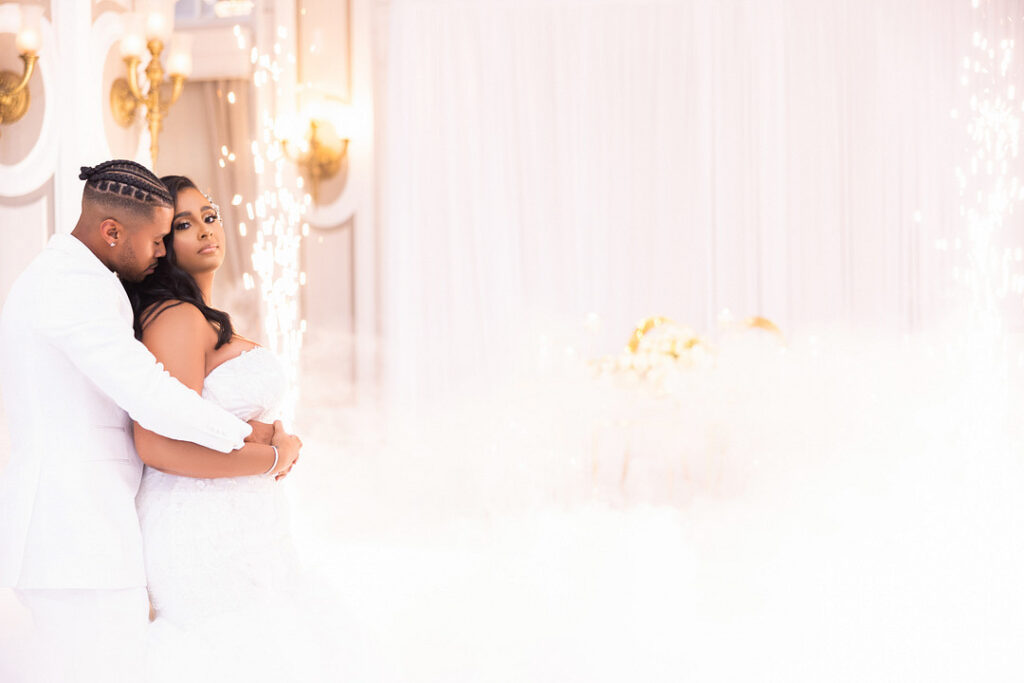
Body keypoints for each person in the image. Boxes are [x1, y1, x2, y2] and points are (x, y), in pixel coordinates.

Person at [0, 160, 302, 683]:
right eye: (160, 237)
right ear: (111, 230)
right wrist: (265, 450)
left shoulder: (83, 280)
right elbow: (153, 398)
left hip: (91, 535)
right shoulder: (70, 287)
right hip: (74, 534)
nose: (161, 251)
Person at [126, 176, 323, 681]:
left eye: (209, 217)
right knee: (228, 653)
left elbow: (206, 418)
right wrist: (273, 455)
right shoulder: (176, 319)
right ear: (161, 245)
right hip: (199, 524)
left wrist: (268, 436)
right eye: (184, 225)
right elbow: (157, 442)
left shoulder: (202, 319)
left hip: (238, 521)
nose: (205, 231)